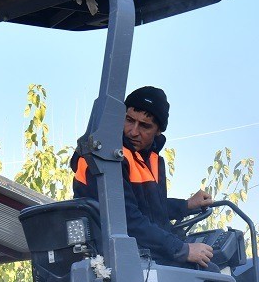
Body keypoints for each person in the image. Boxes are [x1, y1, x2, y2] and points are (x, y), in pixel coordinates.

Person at [70, 86, 215, 268]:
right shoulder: (105, 156)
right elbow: (127, 219)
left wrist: (185, 205)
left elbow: (146, 208)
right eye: (129, 120)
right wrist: (182, 249)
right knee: (212, 276)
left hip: (145, 251)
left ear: (158, 131)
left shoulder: (148, 160)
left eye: (145, 126)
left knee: (212, 262)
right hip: (121, 257)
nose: (133, 131)